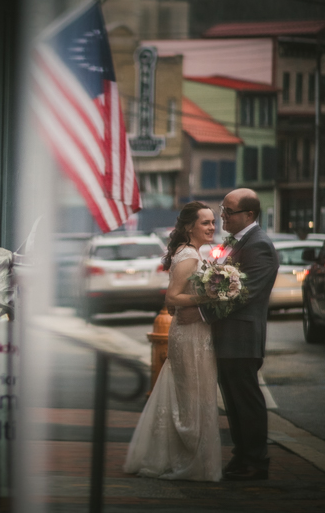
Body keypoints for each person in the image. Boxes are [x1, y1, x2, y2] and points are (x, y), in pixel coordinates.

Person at [176, 188, 279, 481]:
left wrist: (199, 313)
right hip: (227, 335)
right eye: (222, 209)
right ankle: (242, 455)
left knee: (246, 399)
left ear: (249, 215)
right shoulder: (236, 242)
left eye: (228, 211)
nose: (223, 216)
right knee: (233, 400)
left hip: (242, 336)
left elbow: (243, 294)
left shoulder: (258, 245)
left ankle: (256, 461)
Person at [124, 201, 222, 481]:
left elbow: (175, 301)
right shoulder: (189, 256)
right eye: (205, 222)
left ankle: (183, 455)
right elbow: (172, 299)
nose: (212, 227)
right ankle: (188, 459)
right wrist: (208, 298)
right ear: (190, 227)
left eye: (213, 222)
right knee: (192, 395)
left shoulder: (192, 253)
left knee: (190, 393)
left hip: (195, 331)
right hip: (190, 335)